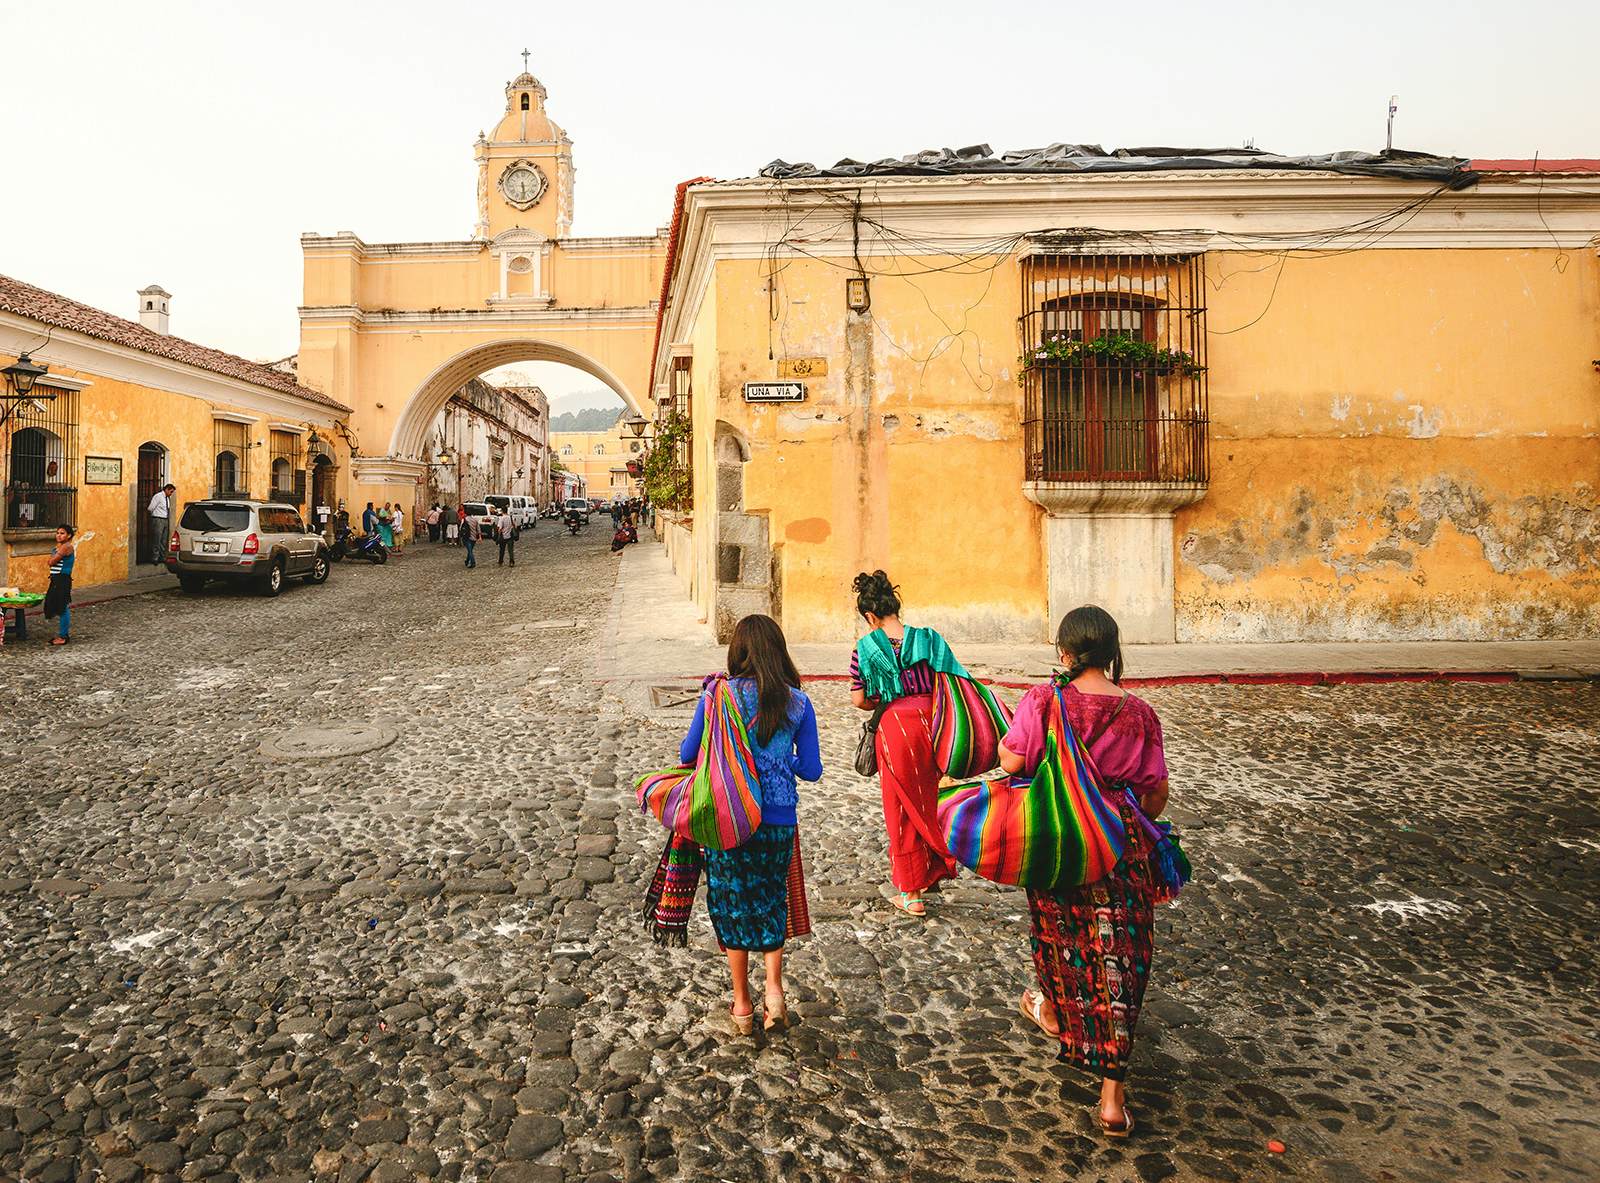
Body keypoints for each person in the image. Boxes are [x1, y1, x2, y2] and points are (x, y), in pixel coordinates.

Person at [999, 605, 1171, 1139]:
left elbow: (1010, 762)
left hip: (1059, 842)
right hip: (1120, 843)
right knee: (1121, 954)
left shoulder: (1044, 701)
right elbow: (1157, 793)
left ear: (1065, 653)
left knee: (1059, 937)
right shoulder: (1140, 713)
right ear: (1113, 651)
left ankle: (1055, 1012)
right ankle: (1112, 1101)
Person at [675, 615, 821, 1034]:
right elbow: (810, 770)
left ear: (737, 651)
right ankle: (774, 990)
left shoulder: (717, 697)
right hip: (778, 819)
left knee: (732, 902)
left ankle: (742, 1003)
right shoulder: (797, 702)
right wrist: (780, 760)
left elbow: (688, 754)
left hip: (727, 816)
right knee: (772, 898)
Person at [849, 570, 962, 917]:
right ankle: (929, 873)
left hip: (895, 729)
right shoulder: (929, 639)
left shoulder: (865, 649)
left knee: (900, 807)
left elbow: (860, 700)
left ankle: (910, 891)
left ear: (870, 616)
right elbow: (957, 681)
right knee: (927, 798)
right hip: (933, 725)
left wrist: (883, 695)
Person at [42, 524, 76, 646]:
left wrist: (52, 558)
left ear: (69, 535)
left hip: (61, 580)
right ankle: (63, 634)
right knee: (58, 605)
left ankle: (63, 636)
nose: (59, 535)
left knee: (62, 607)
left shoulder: (65, 547)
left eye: (62, 533)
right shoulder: (61, 547)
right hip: (57, 580)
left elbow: (51, 562)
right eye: (58, 533)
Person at [147, 482, 175, 564]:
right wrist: (155, 516)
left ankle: (162, 557)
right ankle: (155, 557)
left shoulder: (167, 498)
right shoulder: (158, 496)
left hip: (165, 519)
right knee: (157, 539)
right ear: (166, 490)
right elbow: (150, 508)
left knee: (164, 539)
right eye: (171, 491)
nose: (171, 494)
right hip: (158, 519)